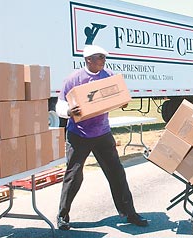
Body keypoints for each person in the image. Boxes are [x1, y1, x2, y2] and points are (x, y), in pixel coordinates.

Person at [55, 44, 148, 230]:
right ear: (88, 59)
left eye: (104, 58)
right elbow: (60, 105)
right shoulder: (73, 79)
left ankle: (129, 213)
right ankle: (63, 215)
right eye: (100, 57)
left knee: (117, 173)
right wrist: (68, 110)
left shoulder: (109, 76)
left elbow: (118, 95)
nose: (103, 61)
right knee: (73, 176)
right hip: (78, 134)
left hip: (102, 132)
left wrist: (121, 102)